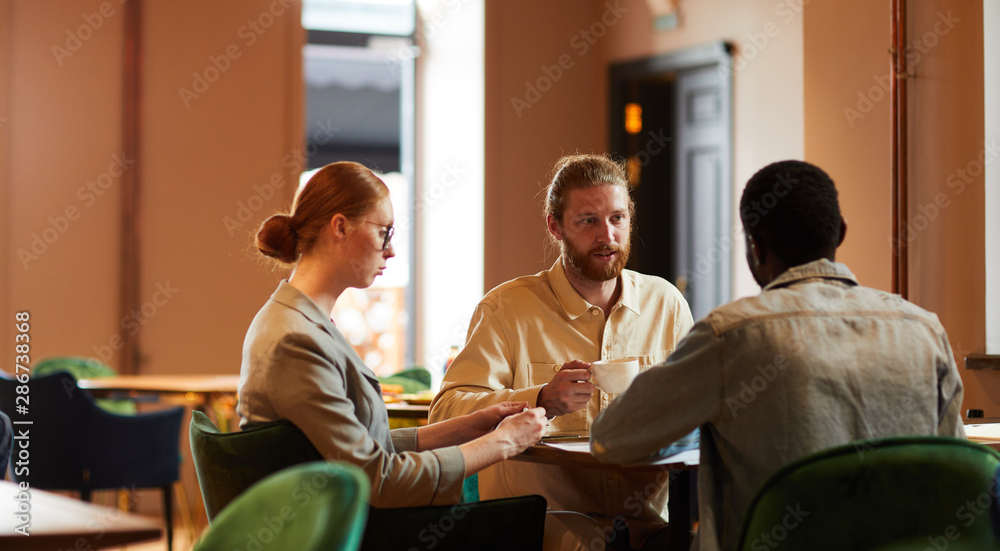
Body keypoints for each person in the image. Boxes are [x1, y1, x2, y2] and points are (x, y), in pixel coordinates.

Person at [591, 160, 966, 551]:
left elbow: (610, 438)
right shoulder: (925, 330)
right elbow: (957, 467)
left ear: (754, 245)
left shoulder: (730, 335)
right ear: (840, 232)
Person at [237, 161, 547, 510]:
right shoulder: (295, 340)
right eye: (385, 231)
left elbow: (363, 448)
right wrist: (503, 443)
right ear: (339, 227)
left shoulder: (300, 321)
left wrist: (471, 427)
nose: (391, 249)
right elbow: (378, 480)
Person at [430, 153, 694, 548]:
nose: (607, 236)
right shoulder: (506, 309)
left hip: (649, 524)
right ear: (555, 226)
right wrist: (538, 399)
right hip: (545, 526)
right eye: (588, 221)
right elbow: (446, 410)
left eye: (617, 218)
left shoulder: (666, 304)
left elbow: (697, 409)